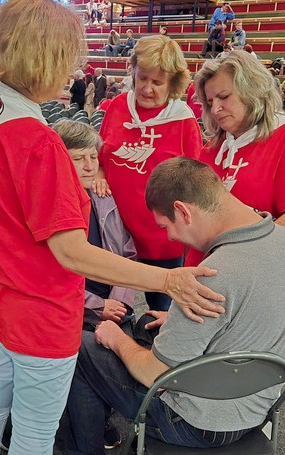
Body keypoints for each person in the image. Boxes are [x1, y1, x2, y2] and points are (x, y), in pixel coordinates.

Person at [0, 2, 224, 454]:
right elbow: (71, 251)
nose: (73, 70)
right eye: (68, 58)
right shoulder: (36, 140)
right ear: (45, 57)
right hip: (39, 307)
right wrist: (167, 278)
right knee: (34, 431)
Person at [63, 157, 285, 453]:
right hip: (259, 407)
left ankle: (84, 449)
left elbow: (154, 374)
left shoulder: (212, 276)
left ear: (182, 211)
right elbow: (253, 311)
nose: (169, 236)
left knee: (80, 344)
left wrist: (114, 339)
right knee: (144, 326)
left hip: (195, 422)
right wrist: (177, 319)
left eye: (166, 225)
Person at [97, 34, 203, 311]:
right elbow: (99, 155)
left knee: (163, 315)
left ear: (173, 84)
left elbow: (195, 183)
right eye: (142, 78)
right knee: (111, 315)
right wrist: (98, 174)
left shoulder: (183, 121)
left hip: (162, 240)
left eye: (157, 82)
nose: (146, 88)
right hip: (115, 237)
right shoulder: (117, 107)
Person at [192, 51, 285, 257]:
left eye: (224, 97)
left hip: (252, 265)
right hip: (205, 263)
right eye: (210, 102)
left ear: (251, 90)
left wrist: (247, 253)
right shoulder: (213, 147)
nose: (215, 109)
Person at [52, 120, 136, 328]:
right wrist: (98, 306)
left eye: (93, 157)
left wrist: (119, 302)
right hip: (70, 313)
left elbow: (127, 254)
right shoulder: (49, 207)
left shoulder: (105, 198)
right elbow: (50, 276)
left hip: (116, 308)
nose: (90, 167)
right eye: (79, 159)